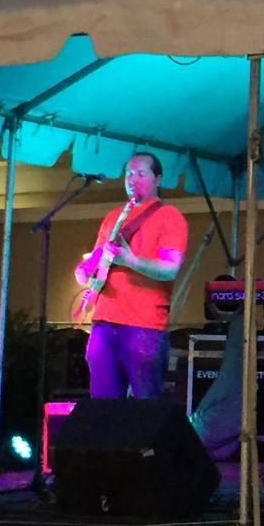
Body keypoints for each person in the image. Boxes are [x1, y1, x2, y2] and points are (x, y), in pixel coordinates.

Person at [74, 152, 188, 399]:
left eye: (140, 174)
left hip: (144, 325)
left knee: (146, 409)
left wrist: (130, 260)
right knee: (103, 406)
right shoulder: (113, 217)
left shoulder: (169, 215)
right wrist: (84, 269)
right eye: (128, 173)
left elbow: (171, 268)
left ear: (158, 179)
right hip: (104, 321)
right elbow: (98, 256)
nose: (132, 179)